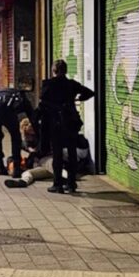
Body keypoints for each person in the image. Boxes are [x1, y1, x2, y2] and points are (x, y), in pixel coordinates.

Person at [39, 59, 95, 193]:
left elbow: (43, 102)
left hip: (55, 124)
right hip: (70, 122)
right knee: (71, 152)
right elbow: (89, 92)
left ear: (54, 71)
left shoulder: (48, 84)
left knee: (57, 154)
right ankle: (71, 183)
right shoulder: (72, 84)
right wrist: (78, 99)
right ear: (65, 71)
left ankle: (57, 184)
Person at [0, 88, 34, 177]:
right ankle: (16, 169)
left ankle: (0, 166)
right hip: (4, 107)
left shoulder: (1, 93)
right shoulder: (22, 97)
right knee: (15, 136)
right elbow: (32, 117)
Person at [5, 134, 93, 189]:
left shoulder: (44, 142)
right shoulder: (30, 155)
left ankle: (67, 178)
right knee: (28, 173)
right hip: (45, 167)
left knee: (50, 163)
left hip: (51, 163)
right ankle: (23, 182)